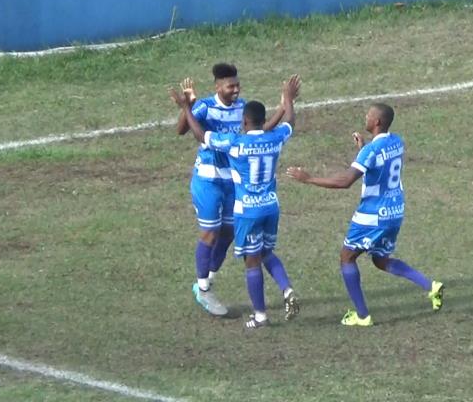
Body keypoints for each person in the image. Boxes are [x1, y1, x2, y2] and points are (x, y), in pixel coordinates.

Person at [286, 103, 443, 327]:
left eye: (369, 115)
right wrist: (362, 148)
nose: (365, 117)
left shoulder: (370, 151)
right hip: (394, 212)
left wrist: (308, 178)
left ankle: (362, 316)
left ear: (377, 122)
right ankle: (431, 287)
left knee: (347, 257)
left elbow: (345, 181)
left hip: (372, 215)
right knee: (381, 260)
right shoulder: (396, 142)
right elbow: (379, 161)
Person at [170, 75, 302, 329]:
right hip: (271, 206)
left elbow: (201, 135)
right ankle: (286, 290)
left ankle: (260, 315)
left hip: (247, 210)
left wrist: (185, 107)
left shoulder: (235, 144)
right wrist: (287, 100)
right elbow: (290, 123)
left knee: (251, 261)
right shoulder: (274, 139)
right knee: (265, 252)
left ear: (243, 121)